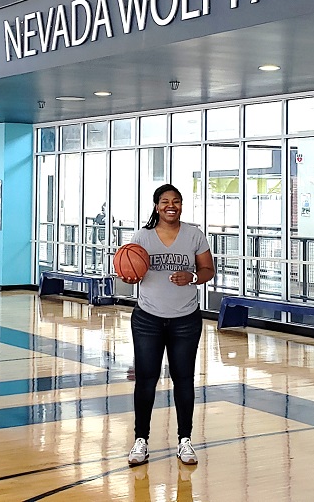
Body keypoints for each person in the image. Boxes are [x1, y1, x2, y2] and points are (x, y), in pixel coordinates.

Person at [126, 183, 215, 468]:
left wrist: (191, 277)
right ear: (156, 206)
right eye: (165, 201)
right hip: (148, 319)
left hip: (185, 320)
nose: (171, 205)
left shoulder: (194, 235)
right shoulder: (142, 237)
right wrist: (127, 277)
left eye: (176, 201)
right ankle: (141, 440)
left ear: (181, 205)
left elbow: (208, 270)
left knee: (183, 379)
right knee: (146, 380)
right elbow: (129, 271)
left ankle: (185, 440)